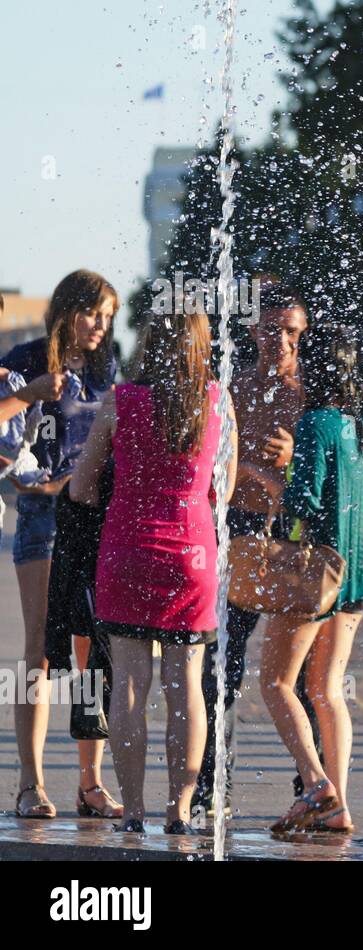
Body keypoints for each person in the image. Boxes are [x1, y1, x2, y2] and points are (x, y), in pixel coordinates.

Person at [71, 308, 236, 835]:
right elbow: (223, 492)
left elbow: (79, 486)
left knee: (128, 683)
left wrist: (120, 503)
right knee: (186, 682)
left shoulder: (122, 401)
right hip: (191, 555)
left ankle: (134, 810)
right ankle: (180, 810)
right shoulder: (218, 400)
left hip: (127, 550)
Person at [0, 270, 120, 820]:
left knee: (91, 652)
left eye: (109, 316)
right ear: (67, 310)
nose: (100, 326)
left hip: (93, 521)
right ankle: (30, 783)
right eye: (92, 313)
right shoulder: (24, 360)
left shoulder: (104, 368)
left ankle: (91, 783)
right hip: (43, 519)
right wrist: (26, 394)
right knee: (41, 655)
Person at [260, 324, 363, 834]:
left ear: (314, 368)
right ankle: (339, 806)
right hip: (358, 573)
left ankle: (316, 785)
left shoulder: (316, 424)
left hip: (318, 573)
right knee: (328, 690)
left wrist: (275, 477)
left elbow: (303, 503)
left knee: (275, 683)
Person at [195, 283, 309, 819]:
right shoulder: (231, 388)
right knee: (223, 664)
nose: (281, 340)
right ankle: (208, 788)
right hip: (238, 532)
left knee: (302, 675)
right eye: (272, 329)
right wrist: (247, 470)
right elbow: (207, 463)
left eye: (291, 331)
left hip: (293, 532)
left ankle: (308, 790)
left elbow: (332, 470)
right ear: (253, 330)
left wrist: (294, 456)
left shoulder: (311, 393)